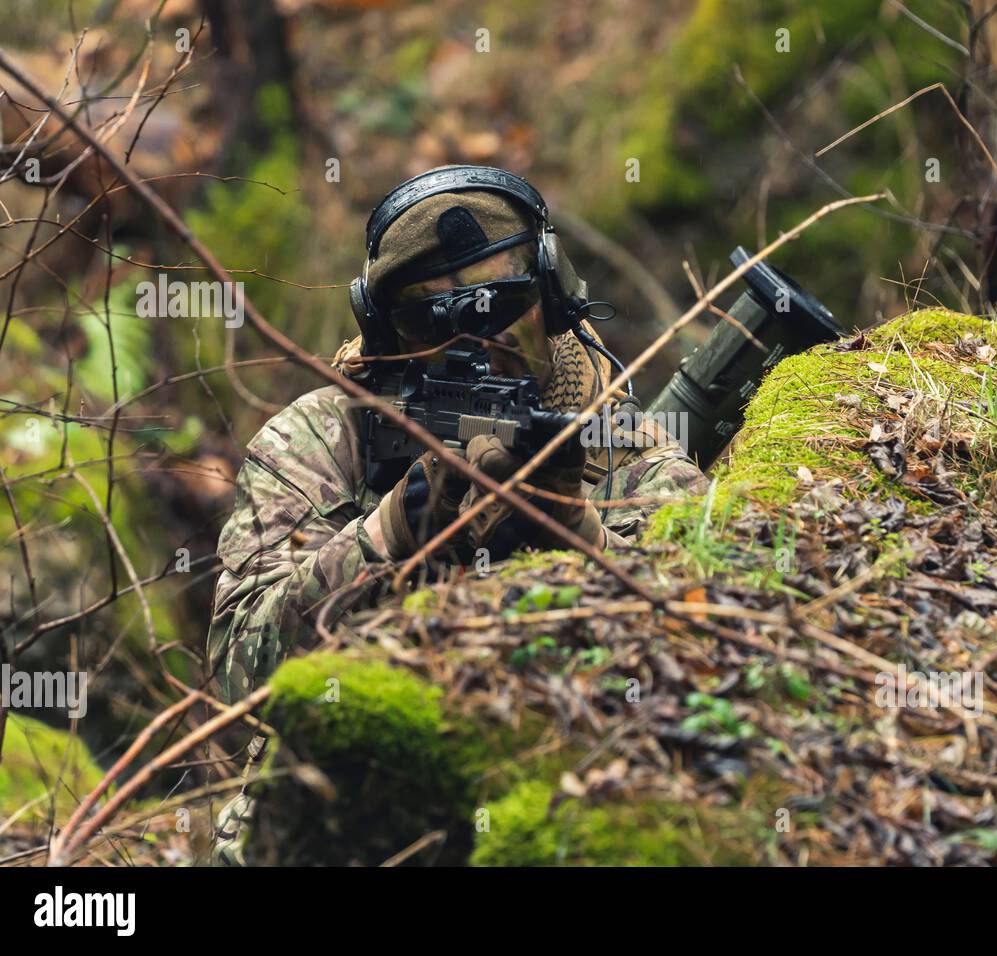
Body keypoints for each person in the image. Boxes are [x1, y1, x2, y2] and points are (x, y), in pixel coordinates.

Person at [206, 165, 707, 704]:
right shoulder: (321, 439)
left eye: (503, 301)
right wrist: (387, 534)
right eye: (431, 318)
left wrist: (585, 541)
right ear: (384, 332)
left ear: (554, 294)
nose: (477, 338)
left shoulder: (624, 445)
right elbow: (240, 677)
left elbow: (712, 639)